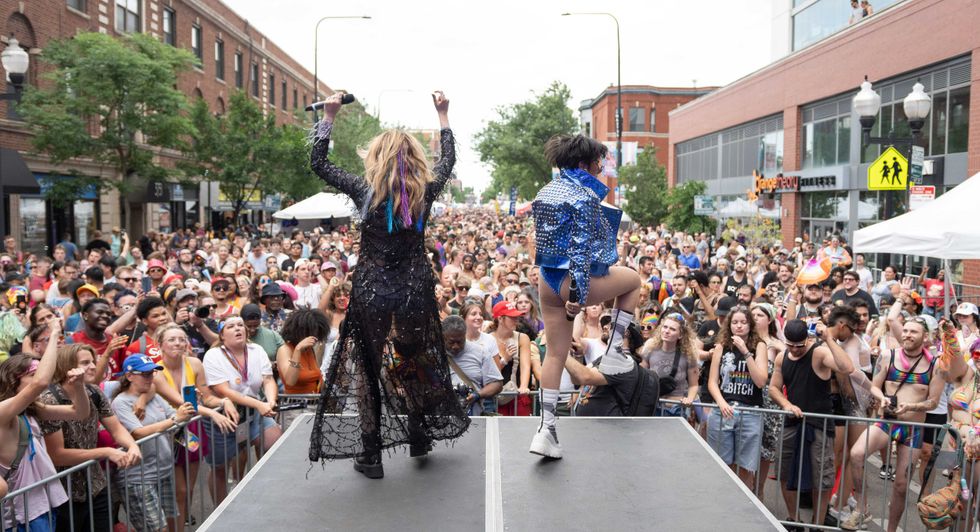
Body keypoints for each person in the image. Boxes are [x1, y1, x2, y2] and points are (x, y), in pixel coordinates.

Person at [308, 90, 469, 479]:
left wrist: (329, 116)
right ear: (413, 158)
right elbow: (447, 160)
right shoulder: (424, 191)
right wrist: (443, 115)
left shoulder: (365, 191)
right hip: (413, 289)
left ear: (377, 158)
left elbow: (319, 162)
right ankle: (418, 434)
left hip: (373, 290)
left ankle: (371, 453)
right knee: (413, 359)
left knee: (367, 366)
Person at [529, 133, 641, 459]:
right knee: (633, 281)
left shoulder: (545, 191)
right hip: (571, 282)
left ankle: (546, 430)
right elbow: (578, 251)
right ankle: (615, 351)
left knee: (554, 355)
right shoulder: (583, 196)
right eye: (598, 163)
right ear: (583, 164)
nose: (600, 169)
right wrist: (577, 296)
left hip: (546, 280)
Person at [840, 312, 947, 531]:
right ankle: (861, 508)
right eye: (905, 330)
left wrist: (911, 407)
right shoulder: (888, 356)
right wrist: (881, 398)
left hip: (913, 429)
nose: (907, 335)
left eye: (913, 332)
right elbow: (875, 385)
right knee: (857, 454)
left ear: (925, 337)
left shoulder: (936, 365)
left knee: (900, 486)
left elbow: (934, 402)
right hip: (887, 422)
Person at [40, 344, 143, 532]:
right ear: (67, 367)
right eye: (85, 363)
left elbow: (116, 429)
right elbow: (57, 455)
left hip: (96, 485)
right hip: (63, 492)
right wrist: (106, 452)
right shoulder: (49, 399)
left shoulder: (94, 391)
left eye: (93, 362)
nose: (94, 367)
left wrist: (132, 446)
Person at [0, 317, 88, 532]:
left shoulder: (30, 409)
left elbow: (79, 413)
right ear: (13, 380)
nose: (40, 378)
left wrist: (78, 387)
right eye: (32, 374)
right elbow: (41, 383)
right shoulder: (3, 412)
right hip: (22, 514)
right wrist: (55, 334)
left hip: (42, 504)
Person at [768, 319, 855, 529]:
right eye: (790, 345)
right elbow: (773, 388)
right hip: (791, 422)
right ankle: (794, 519)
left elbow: (847, 367)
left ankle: (817, 523)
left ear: (807, 339)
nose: (795, 350)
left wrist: (829, 339)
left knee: (821, 478)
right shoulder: (781, 357)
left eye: (799, 345)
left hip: (819, 424)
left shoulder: (819, 353)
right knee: (783, 471)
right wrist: (787, 404)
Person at [151, 324, 236, 530]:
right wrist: (212, 413)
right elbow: (181, 402)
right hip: (169, 430)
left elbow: (206, 397)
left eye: (182, 339)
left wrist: (223, 401)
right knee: (177, 490)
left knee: (187, 490)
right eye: (172, 339)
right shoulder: (156, 372)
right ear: (160, 345)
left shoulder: (195, 364)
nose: (178, 343)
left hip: (192, 430)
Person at [111, 353, 195, 532]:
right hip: (139, 477)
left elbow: (173, 416)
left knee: (169, 525)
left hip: (163, 471)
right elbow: (138, 433)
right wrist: (175, 419)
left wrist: (186, 410)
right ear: (129, 376)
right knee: (156, 530)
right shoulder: (121, 402)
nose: (151, 378)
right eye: (145, 374)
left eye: (152, 373)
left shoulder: (153, 396)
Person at [202, 316, 281, 502]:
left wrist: (270, 401)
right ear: (222, 335)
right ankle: (221, 510)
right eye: (231, 326)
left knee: (274, 440)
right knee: (220, 468)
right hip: (223, 416)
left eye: (240, 325)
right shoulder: (213, 355)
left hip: (252, 412)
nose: (237, 328)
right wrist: (260, 405)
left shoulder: (257, 350)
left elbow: (268, 379)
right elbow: (223, 390)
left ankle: (266, 494)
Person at [706, 306, 769, 488]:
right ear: (729, 325)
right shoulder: (721, 347)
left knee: (745, 467)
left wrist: (745, 351)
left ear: (750, 325)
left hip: (750, 412)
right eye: (734, 322)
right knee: (721, 464)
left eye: (743, 322)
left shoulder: (759, 346)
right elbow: (712, 382)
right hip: (724, 410)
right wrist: (721, 403)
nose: (739, 326)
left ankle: (743, 500)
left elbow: (760, 381)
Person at [567, 323, 658, 416]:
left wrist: (561, 352)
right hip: (591, 423)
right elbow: (576, 379)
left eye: (611, 325)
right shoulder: (605, 358)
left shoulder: (623, 361)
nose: (605, 327)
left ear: (625, 332)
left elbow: (584, 377)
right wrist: (578, 355)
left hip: (605, 425)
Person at [640, 313, 700, 416]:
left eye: (672, 329)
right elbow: (641, 377)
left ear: (680, 335)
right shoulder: (650, 349)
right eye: (665, 327)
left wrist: (689, 399)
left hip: (676, 408)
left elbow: (693, 385)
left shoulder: (688, 355)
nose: (667, 331)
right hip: (653, 406)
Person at [441, 316, 503, 416]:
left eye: (460, 341)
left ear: (464, 335)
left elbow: (496, 383)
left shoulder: (481, 352)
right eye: (451, 342)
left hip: (474, 416)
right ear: (443, 337)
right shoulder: (433, 355)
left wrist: (478, 395)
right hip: (442, 416)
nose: (455, 346)